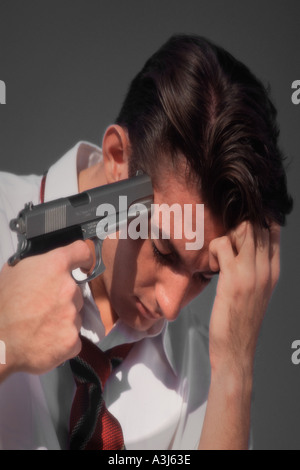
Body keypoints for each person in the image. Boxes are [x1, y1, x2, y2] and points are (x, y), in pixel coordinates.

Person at [0, 34, 293, 450]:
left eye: (204, 276)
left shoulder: (204, 370)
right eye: (164, 249)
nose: (171, 306)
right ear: (118, 158)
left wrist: (235, 371)